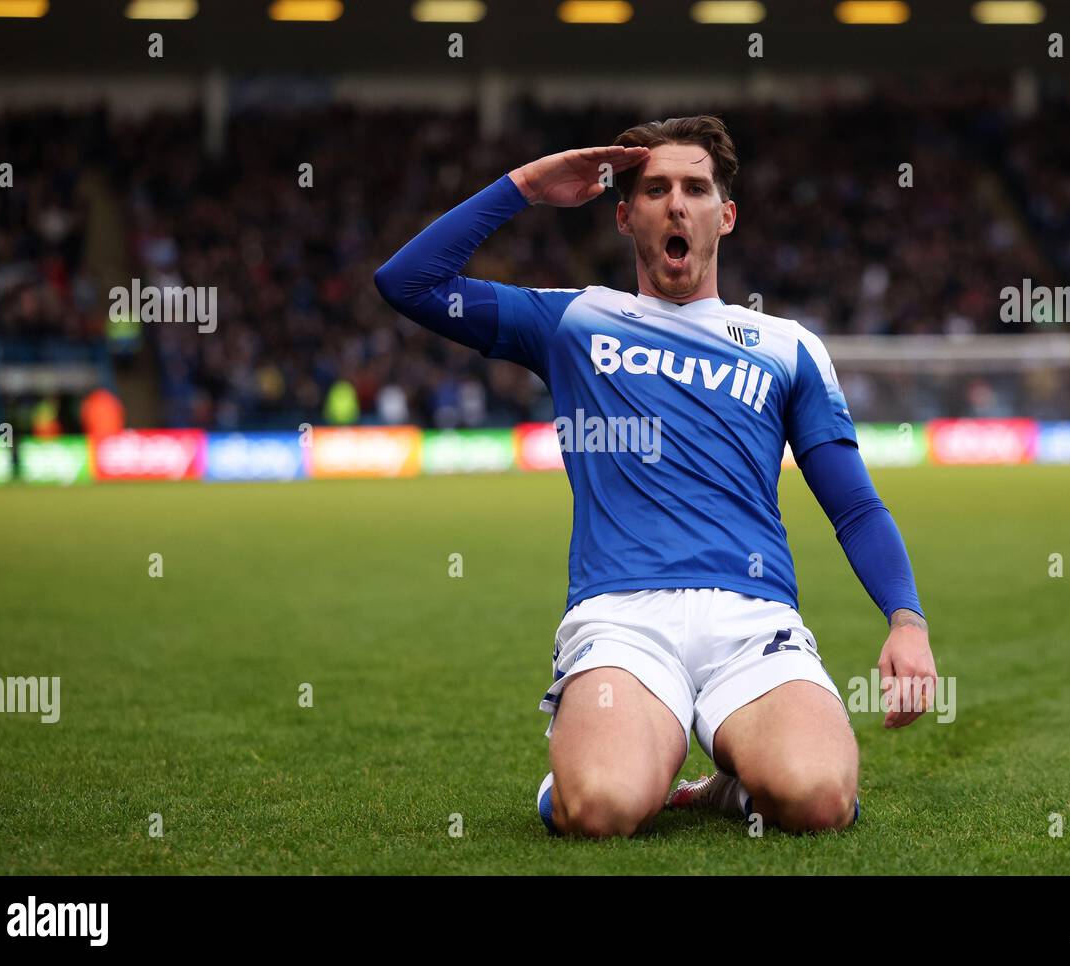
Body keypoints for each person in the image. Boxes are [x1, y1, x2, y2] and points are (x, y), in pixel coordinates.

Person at [375, 116, 936, 838]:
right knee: (602, 809)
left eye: (697, 188)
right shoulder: (574, 320)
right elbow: (408, 283)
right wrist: (528, 187)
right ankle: (594, 767)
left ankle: (729, 788)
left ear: (724, 216)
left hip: (753, 621)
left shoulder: (788, 347)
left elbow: (854, 506)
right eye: (657, 190)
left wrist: (906, 618)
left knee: (821, 800)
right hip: (621, 620)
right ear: (624, 215)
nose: (677, 204)